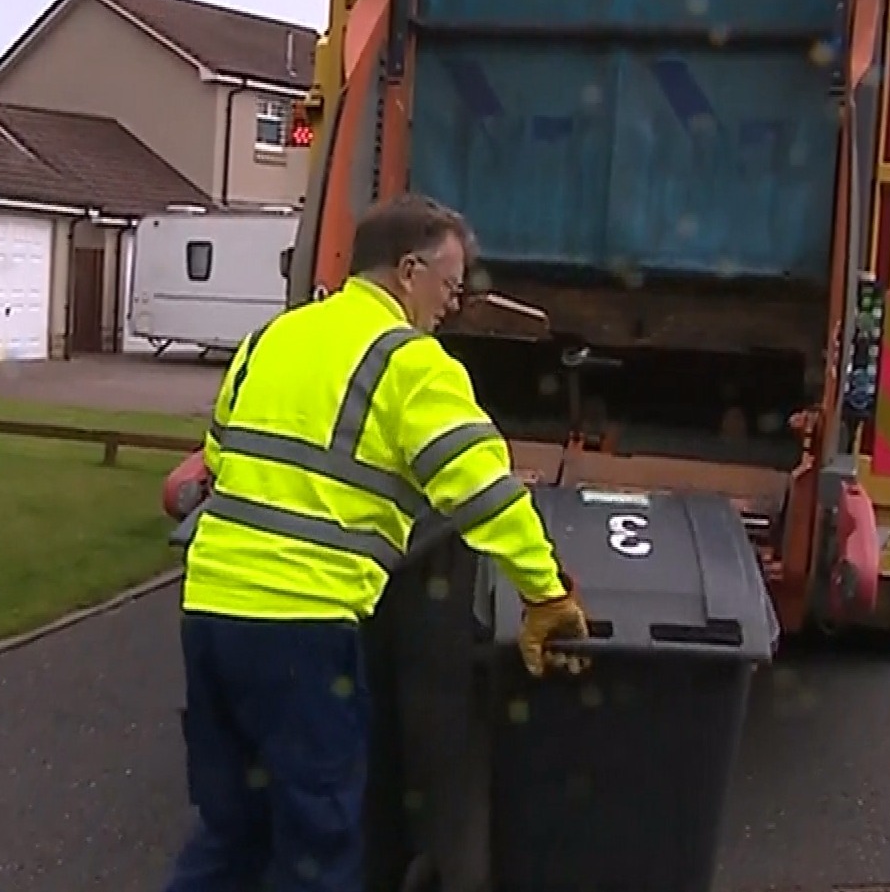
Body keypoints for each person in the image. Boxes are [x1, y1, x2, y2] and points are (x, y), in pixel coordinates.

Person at [161, 195, 590, 892]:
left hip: (208, 615)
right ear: (408, 271)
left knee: (231, 832)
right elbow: (485, 492)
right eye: (450, 285)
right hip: (300, 631)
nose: (451, 305)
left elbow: (218, 457)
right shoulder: (409, 362)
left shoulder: (272, 339)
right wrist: (545, 595)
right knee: (318, 839)